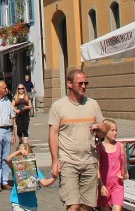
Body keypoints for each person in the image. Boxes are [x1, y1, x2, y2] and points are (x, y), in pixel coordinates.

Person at [48, 68, 104, 211]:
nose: (84, 86)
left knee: (88, 206)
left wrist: (100, 129)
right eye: (80, 83)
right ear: (69, 84)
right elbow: (53, 134)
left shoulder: (92, 104)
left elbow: (103, 129)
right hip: (68, 161)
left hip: (90, 160)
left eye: (86, 83)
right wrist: (55, 160)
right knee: (73, 204)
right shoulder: (58, 106)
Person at [7, 142, 58, 211]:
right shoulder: (15, 167)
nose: (24, 159)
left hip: (31, 204)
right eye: (21, 156)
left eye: (27, 157)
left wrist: (54, 178)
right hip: (17, 202)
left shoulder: (34, 169)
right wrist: (19, 151)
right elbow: (8, 159)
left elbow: (44, 183)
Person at [96, 119, 126, 211]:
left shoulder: (120, 146)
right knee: (105, 208)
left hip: (117, 184)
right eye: (112, 130)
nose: (115, 133)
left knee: (117, 209)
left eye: (116, 130)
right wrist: (101, 185)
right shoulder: (99, 148)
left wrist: (124, 174)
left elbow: (124, 164)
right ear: (105, 132)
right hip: (104, 184)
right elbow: (97, 169)